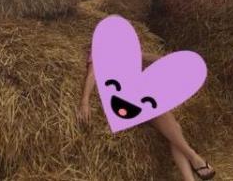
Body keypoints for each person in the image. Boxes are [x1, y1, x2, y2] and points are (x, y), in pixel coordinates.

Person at [77, 51, 216, 181]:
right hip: (119, 102)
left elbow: (146, 57)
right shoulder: (100, 48)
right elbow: (92, 74)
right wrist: (85, 101)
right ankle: (193, 157)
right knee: (163, 117)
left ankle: (189, 176)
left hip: (136, 94)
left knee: (174, 127)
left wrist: (169, 61)